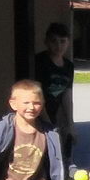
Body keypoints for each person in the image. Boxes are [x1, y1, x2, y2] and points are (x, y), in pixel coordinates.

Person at [33, 22, 76, 160]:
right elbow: (36, 94)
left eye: (62, 41)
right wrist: (47, 123)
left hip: (53, 114)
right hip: (36, 114)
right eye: (54, 41)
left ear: (68, 42)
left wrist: (70, 124)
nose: (58, 46)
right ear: (46, 42)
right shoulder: (40, 62)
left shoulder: (68, 66)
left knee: (59, 152)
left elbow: (67, 95)